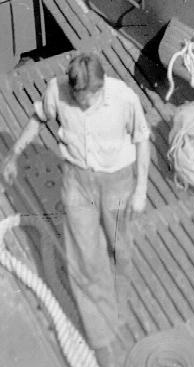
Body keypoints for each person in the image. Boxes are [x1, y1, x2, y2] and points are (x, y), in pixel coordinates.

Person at [1, 52, 151, 367]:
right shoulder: (57, 90)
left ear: (102, 86)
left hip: (118, 182)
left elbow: (143, 140)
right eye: (80, 99)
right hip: (78, 181)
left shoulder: (124, 98)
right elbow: (38, 119)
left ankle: (117, 308)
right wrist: (14, 153)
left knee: (118, 249)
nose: (85, 104)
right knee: (83, 261)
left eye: (93, 98)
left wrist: (140, 190)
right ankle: (102, 341)